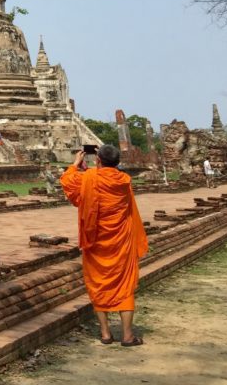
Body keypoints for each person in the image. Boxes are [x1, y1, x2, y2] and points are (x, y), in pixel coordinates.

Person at [61, 144, 148, 346]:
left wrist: (75, 164)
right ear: (117, 163)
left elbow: (69, 182)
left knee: (98, 284)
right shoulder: (124, 181)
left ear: (97, 160)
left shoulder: (89, 178)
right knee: (124, 288)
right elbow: (101, 182)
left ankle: (106, 334)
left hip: (96, 241)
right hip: (121, 242)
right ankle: (127, 336)